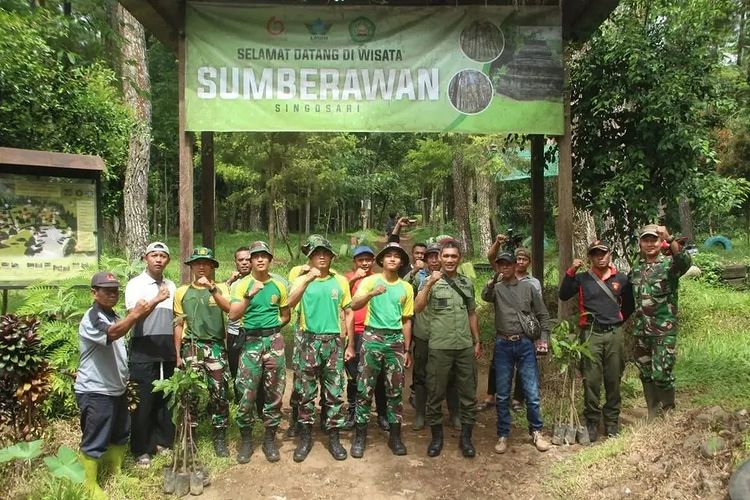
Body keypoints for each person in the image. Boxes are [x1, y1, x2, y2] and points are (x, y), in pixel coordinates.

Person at [76, 272, 160, 499]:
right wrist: (135, 314)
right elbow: (113, 333)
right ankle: (90, 485)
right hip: (95, 389)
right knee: (95, 437)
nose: (112, 294)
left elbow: (127, 322)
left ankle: (116, 473)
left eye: (115, 290)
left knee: (120, 433)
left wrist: (151, 303)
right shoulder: (93, 317)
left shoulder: (112, 315)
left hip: (116, 388)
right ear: (94, 292)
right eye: (106, 290)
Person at [287, 235, 354, 462]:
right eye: (317, 253)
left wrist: (349, 344)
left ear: (332, 257)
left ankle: (334, 438)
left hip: (333, 341)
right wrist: (306, 279)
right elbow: (289, 303)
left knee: (334, 392)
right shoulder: (301, 279)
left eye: (325, 253)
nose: (322, 256)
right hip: (308, 340)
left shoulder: (340, 281)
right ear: (310, 257)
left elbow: (347, 312)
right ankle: (305, 438)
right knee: (305, 393)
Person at [559, 240, 633, 440]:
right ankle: (592, 421)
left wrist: (615, 321)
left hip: (614, 334)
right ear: (590, 257)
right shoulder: (583, 279)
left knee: (613, 377)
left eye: (603, 253)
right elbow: (564, 294)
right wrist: (571, 271)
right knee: (591, 379)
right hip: (590, 333)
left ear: (610, 254)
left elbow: (629, 305)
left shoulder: (622, 279)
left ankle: (611, 422)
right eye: (595, 254)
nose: (600, 257)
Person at [415, 241, 481, 458]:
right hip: (439, 346)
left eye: (454, 256)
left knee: (468, 394)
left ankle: (466, 439)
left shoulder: (466, 283)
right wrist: (428, 285)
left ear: (459, 257)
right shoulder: (429, 281)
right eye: (447, 256)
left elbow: (471, 313)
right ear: (440, 258)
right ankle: (437, 438)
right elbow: (417, 307)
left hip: (463, 346)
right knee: (435, 392)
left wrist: (476, 340)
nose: (450, 260)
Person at [482, 252, 551, 454]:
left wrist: (543, 339)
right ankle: (503, 434)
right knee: (502, 394)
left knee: (531, 391)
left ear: (514, 266)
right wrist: (493, 278)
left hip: (524, 343)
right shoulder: (496, 289)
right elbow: (485, 296)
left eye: (507, 265)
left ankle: (536, 431)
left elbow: (542, 314)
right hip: (503, 343)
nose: (504, 268)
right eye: (500, 265)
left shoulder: (528, 288)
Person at [349, 242, 414, 458]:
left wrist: (406, 349)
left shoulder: (406, 287)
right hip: (372, 337)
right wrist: (371, 294)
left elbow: (406, 320)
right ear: (382, 261)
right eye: (389, 256)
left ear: (401, 261)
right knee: (364, 388)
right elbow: (354, 305)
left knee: (395, 390)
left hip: (395, 340)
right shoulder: (370, 281)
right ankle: (360, 436)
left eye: (397, 256)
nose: (393, 259)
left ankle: (395, 436)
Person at [228, 241, 290, 463]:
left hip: (274, 341)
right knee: (247, 391)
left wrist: (272, 329)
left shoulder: (279, 285)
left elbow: (285, 314)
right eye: (256, 257)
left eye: (265, 256)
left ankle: (269, 439)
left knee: (274, 390)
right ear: (251, 261)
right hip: (251, 341)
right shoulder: (241, 285)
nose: (260, 260)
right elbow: (233, 315)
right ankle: (246, 440)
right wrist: (249, 296)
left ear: (270, 260)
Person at [173, 247, 231, 457]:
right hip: (192, 347)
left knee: (220, 392)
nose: (201, 267)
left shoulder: (222, 288)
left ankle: (219, 436)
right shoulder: (182, 292)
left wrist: (212, 288)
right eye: (197, 263)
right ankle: (190, 436)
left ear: (213, 266)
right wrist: (178, 354)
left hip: (215, 346)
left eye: (206, 263)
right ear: (191, 267)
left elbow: (230, 311)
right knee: (190, 393)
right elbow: (179, 323)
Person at [125, 242, 177, 468]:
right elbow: (133, 316)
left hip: (166, 350)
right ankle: (140, 448)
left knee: (163, 400)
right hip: (143, 348)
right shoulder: (135, 284)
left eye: (163, 256)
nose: (158, 259)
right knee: (142, 400)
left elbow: (176, 319)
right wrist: (156, 299)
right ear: (146, 258)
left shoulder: (171, 285)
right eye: (154, 255)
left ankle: (162, 441)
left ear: (168, 261)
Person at [630, 224, 690, 418]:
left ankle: (668, 413)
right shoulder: (637, 269)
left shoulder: (669, 265)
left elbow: (685, 261)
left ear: (660, 242)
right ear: (640, 243)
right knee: (645, 373)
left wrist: (670, 238)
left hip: (663, 330)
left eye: (653, 240)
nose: (649, 244)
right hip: (641, 331)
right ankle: (653, 414)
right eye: (645, 240)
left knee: (662, 374)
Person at [480, 240, 543, 412]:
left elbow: (538, 308)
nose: (521, 262)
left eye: (524, 259)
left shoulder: (533, 283)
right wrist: (497, 243)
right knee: (497, 366)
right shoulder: (502, 276)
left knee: (525, 370)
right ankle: (491, 396)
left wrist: (540, 336)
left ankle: (518, 400)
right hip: (504, 333)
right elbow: (491, 258)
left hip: (524, 332)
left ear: (527, 262)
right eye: (519, 259)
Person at [343, 245, 389, 432]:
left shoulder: (379, 279)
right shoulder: (346, 278)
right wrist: (355, 278)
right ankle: (353, 412)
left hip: (375, 331)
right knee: (354, 376)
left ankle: (382, 414)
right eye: (360, 259)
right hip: (354, 332)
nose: (364, 263)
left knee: (378, 376)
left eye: (368, 259)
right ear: (354, 262)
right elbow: (339, 296)